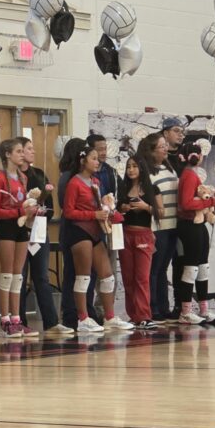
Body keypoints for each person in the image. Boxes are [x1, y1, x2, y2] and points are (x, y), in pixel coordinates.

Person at [63, 142, 133, 332]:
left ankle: (109, 317)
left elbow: (99, 207)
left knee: (107, 276)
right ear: (82, 160)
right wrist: (93, 215)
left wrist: (111, 213)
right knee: (83, 276)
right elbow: (68, 212)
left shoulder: (96, 182)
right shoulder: (74, 183)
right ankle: (83, 318)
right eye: (93, 158)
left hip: (95, 232)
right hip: (79, 232)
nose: (97, 162)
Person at [18, 136, 71, 337]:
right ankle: (19, 321)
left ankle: (51, 322)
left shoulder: (39, 174)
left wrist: (42, 212)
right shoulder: (12, 176)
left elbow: (49, 206)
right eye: (29, 148)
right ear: (19, 152)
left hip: (39, 231)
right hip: (20, 231)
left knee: (42, 276)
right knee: (19, 277)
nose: (33, 151)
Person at [0, 139, 37, 339]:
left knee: (19, 275)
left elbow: (23, 202)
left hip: (22, 226)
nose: (22, 154)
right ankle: (4, 320)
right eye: (18, 151)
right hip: (7, 227)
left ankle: (17, 319)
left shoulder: (22, 177)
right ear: (7, 154)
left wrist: (32, 209)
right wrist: (19, 210)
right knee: (7, 274)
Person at [174, 142, 215, 325]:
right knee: (191, 267)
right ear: (198, 157)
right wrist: (209, 203)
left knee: (202, 267)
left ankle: (204, 309)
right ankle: (185, 311)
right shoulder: (189, 176)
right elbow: (186, 203)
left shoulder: (191, 175)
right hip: (189, 225)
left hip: (198, 225)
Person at [137, 132, 179, 323]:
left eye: (165, 146)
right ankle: (152, 307)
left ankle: (164, 307)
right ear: (152, 151)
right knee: (153, 269)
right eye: (161, 147)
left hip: (173, 225)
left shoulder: (169, 168)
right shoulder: (146, 172)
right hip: (157, 226)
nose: (165, 149)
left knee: (163, 268)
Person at [117, 156, 158, 329]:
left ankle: (144, 316)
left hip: (143, 235)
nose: (131, 170)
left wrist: (145, 207)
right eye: (128, 167)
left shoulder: (151, 189)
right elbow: (116, 209)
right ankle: (133, 315)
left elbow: (160, 212)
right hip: (125, 234)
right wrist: (122, 208)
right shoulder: (123, 188)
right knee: (128, 277)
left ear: (141, 168)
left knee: (142, 277)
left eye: (134, 166)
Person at [85, 134, 118, 320]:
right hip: (90, 227)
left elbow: (115, 196)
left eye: (105, 149)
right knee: (89, 272)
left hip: (108, 225)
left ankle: (105, 310)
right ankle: (87, 311)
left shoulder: (111, 172)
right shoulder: (82, 177)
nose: (103, 153)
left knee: (110, 270)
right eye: (99, 150)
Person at [56, 138, 84, 330]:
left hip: (78, 227)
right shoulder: (68, 178)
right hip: (72, 228)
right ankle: (70, 314)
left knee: (78, 273)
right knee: (72, 273)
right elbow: (67, 207)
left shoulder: (73, 177)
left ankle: (79, 311)